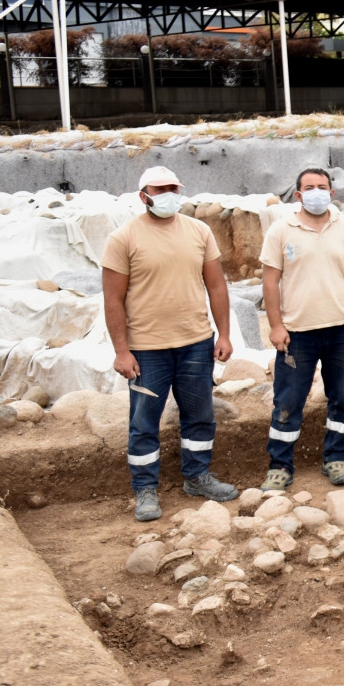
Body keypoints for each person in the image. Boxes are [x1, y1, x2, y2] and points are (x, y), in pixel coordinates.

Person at [101, 166, 239, 522]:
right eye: (159, 189)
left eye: (173, 188)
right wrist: (121, 350)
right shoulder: (123, 238)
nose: (168, 194)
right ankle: (145, 489)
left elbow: (217, 286)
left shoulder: (199, 231)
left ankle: (197, 477)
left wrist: (223, 333)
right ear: (143, 195)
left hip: (196, 342)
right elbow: (112, 299)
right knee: (144, 421)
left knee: (200, 415)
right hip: (147, 349)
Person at [258, 167, 344, 491]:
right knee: (288, 400)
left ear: (332, 193)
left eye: (323, 186)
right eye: (310, 187)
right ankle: (279, 465)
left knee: (343, 397)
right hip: (297, 334)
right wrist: (275, 325)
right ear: (298, 194)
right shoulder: (281, 231)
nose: (317, 191)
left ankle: (335, 458)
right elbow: (270, 280)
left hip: (342, 329)